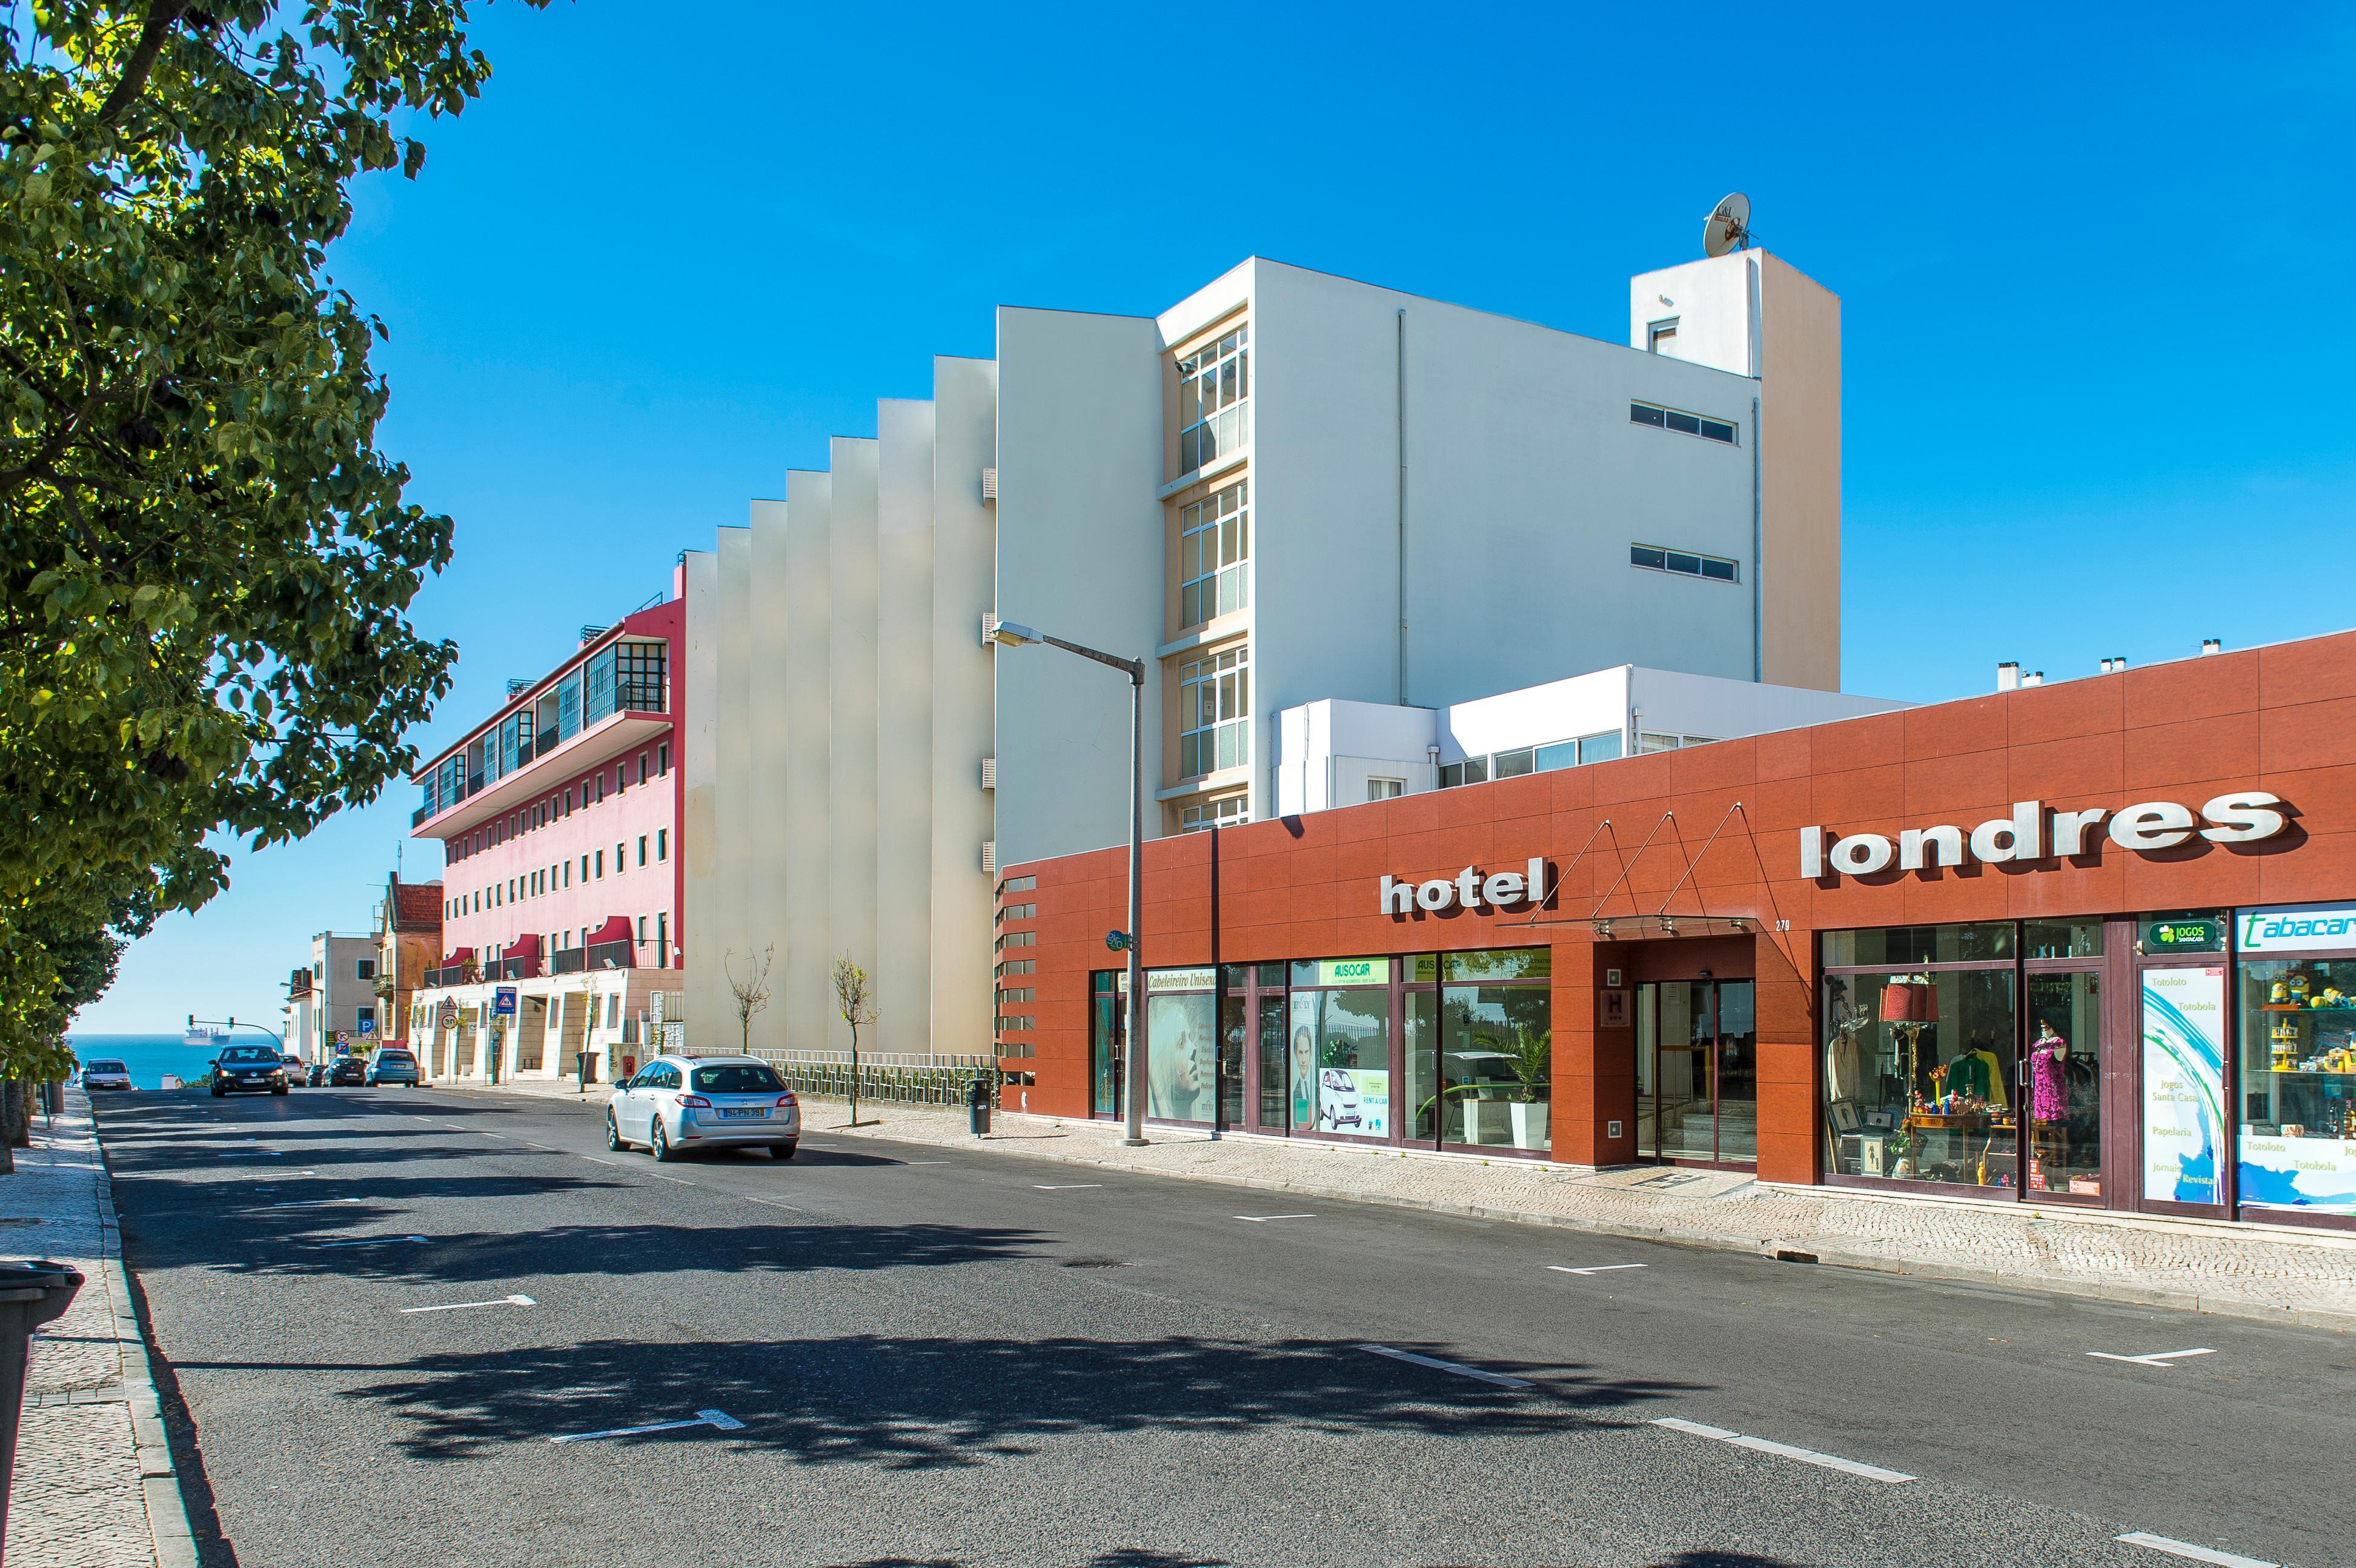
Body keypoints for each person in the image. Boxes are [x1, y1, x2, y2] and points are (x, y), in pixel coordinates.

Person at [2030, 1020, 2070, 1188]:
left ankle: (2058, 1172)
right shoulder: (2037, 1044)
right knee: (2041, 1134)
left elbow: (2057, 1063)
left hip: (2054, 1094)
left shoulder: (2059, 1044)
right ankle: (2041, 1173)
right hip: (2039, 1093)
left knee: (2055, 1133)